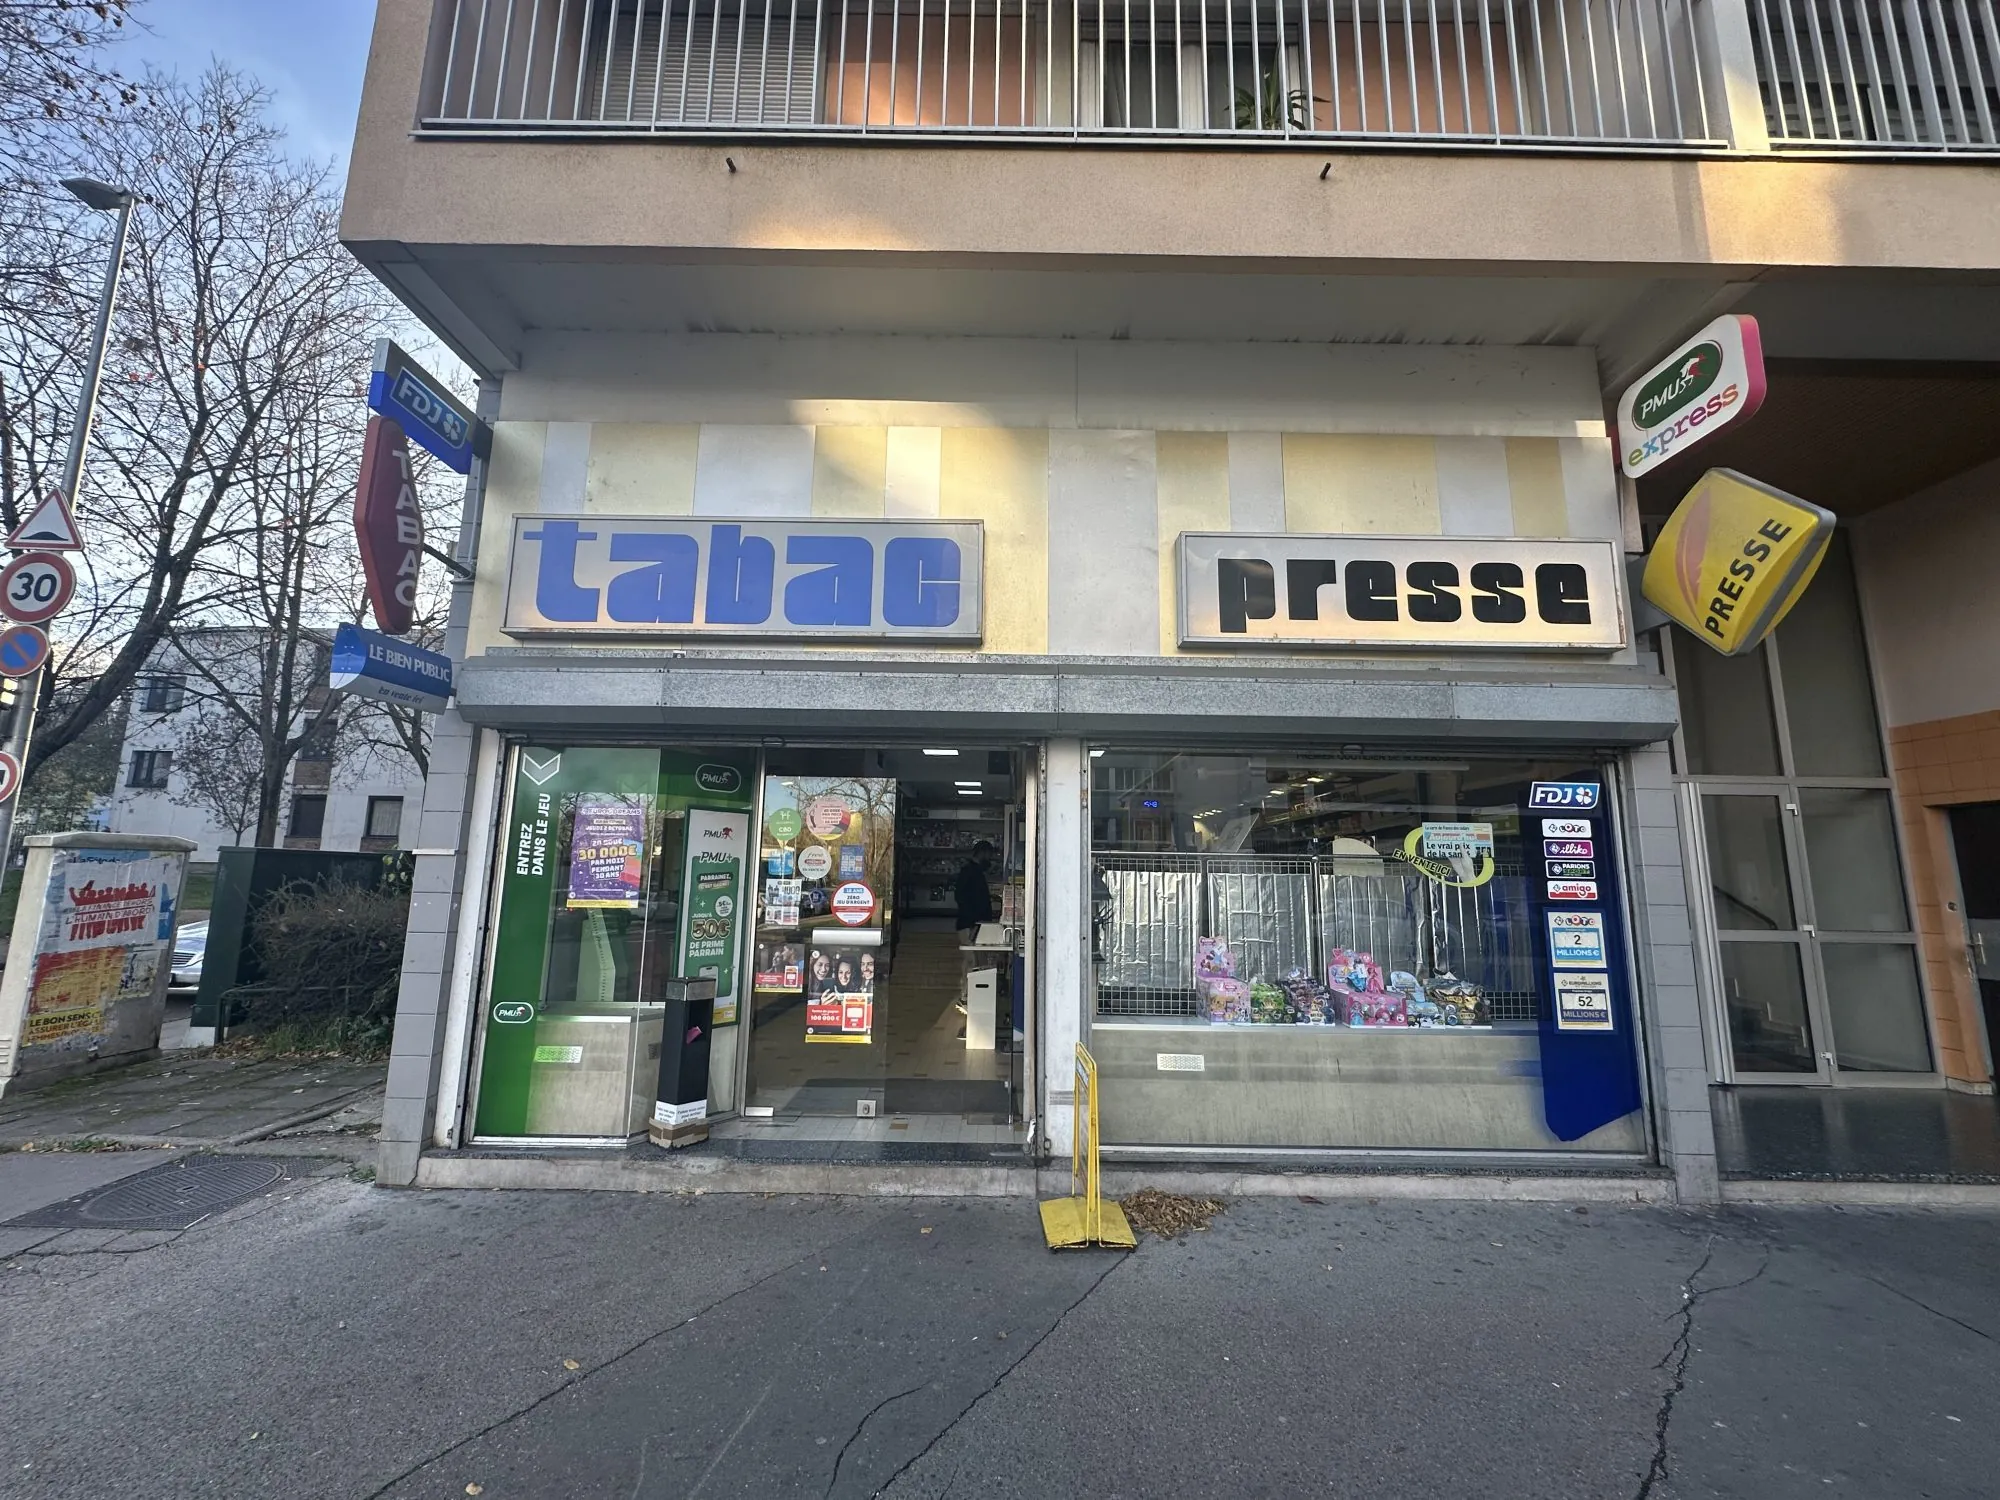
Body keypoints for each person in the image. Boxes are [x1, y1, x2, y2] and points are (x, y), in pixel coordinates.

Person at [955, 840, 996, 941]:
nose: (990, 858)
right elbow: (961, 897)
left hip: (975, 923)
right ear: (982, 853)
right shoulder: (970, 872)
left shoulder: (973, 871)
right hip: (970, 923)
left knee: (974, 955)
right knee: (971, 955)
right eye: (988, 855)